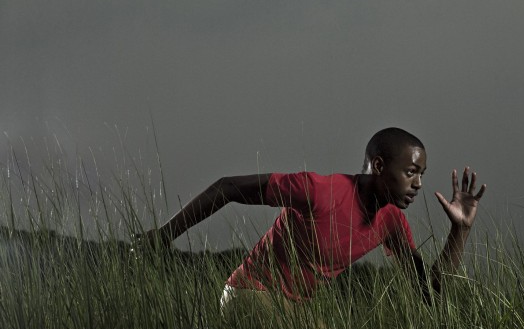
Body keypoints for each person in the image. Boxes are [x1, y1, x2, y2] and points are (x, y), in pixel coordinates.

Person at [136, 127, 486, 311]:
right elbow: (227, 187)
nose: (419, 184)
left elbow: (429, 293)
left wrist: (460, 230)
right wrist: (164, 234)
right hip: (249, 294)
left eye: (422, 174)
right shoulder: (321, 190)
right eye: (411, 172)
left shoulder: (391, 221)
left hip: (291, 309)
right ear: (379, 166)